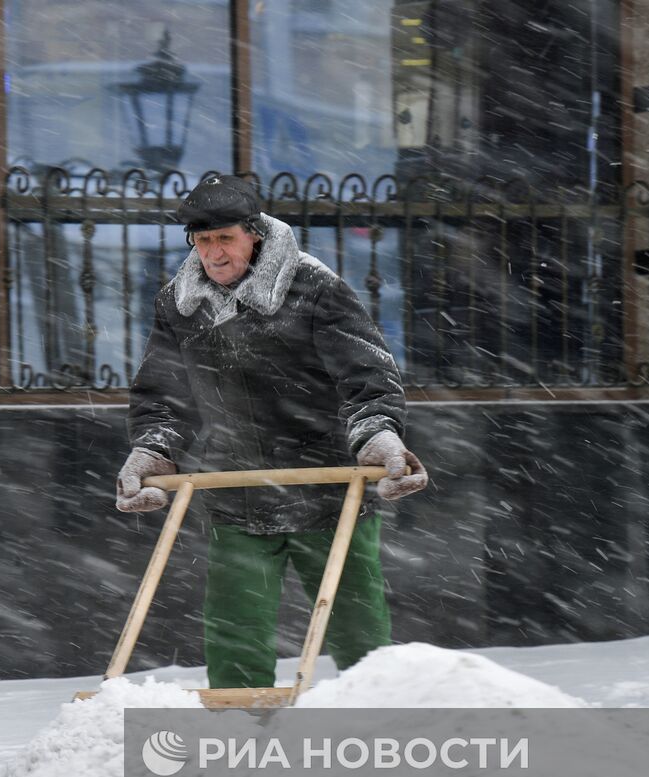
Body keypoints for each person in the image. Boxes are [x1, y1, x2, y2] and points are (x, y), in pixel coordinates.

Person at [116, 175, 428, 689]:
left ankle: (380, 730)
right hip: (234, 491)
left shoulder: (313, 287)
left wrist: (378, 435)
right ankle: (238, 740)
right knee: (235, 632)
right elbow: (165, 394)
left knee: (358, 633)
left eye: (225, 239)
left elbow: (367, 376)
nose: (214, 254)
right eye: (203, 240)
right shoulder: (180, 303)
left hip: (328, 489)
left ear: (254, 234)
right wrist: (154, 450)